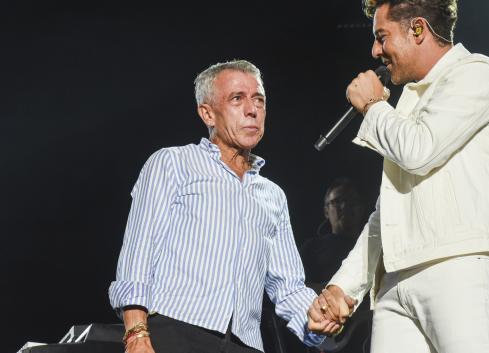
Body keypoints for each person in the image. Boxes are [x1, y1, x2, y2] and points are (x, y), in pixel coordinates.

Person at [308, 1, 489, 352]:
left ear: (418, 29)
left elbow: (420, 150)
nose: (375, 50)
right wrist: (343, 287)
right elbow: (387, 212)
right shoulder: (409, 101)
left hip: (459, 267)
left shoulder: (477, 73)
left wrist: (374, 108)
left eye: (382, 36)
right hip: (395, 280)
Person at [108, 60, 335, 353]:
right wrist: (137, 333)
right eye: (237, 99)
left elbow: (288, 287)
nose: (252, 110)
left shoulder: (272, 195)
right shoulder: (173, 163)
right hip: (176, 332)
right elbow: (138, 254)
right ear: (207, 113)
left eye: (259, 100)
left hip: (245, 343)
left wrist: (317, 318)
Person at [301, 178, 367, 292]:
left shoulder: (373, 246)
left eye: (351, 201)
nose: (344, 206)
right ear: (326, 211)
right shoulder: (312, 247)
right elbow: (296, 288)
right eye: (337, 201)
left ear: (361, 209)